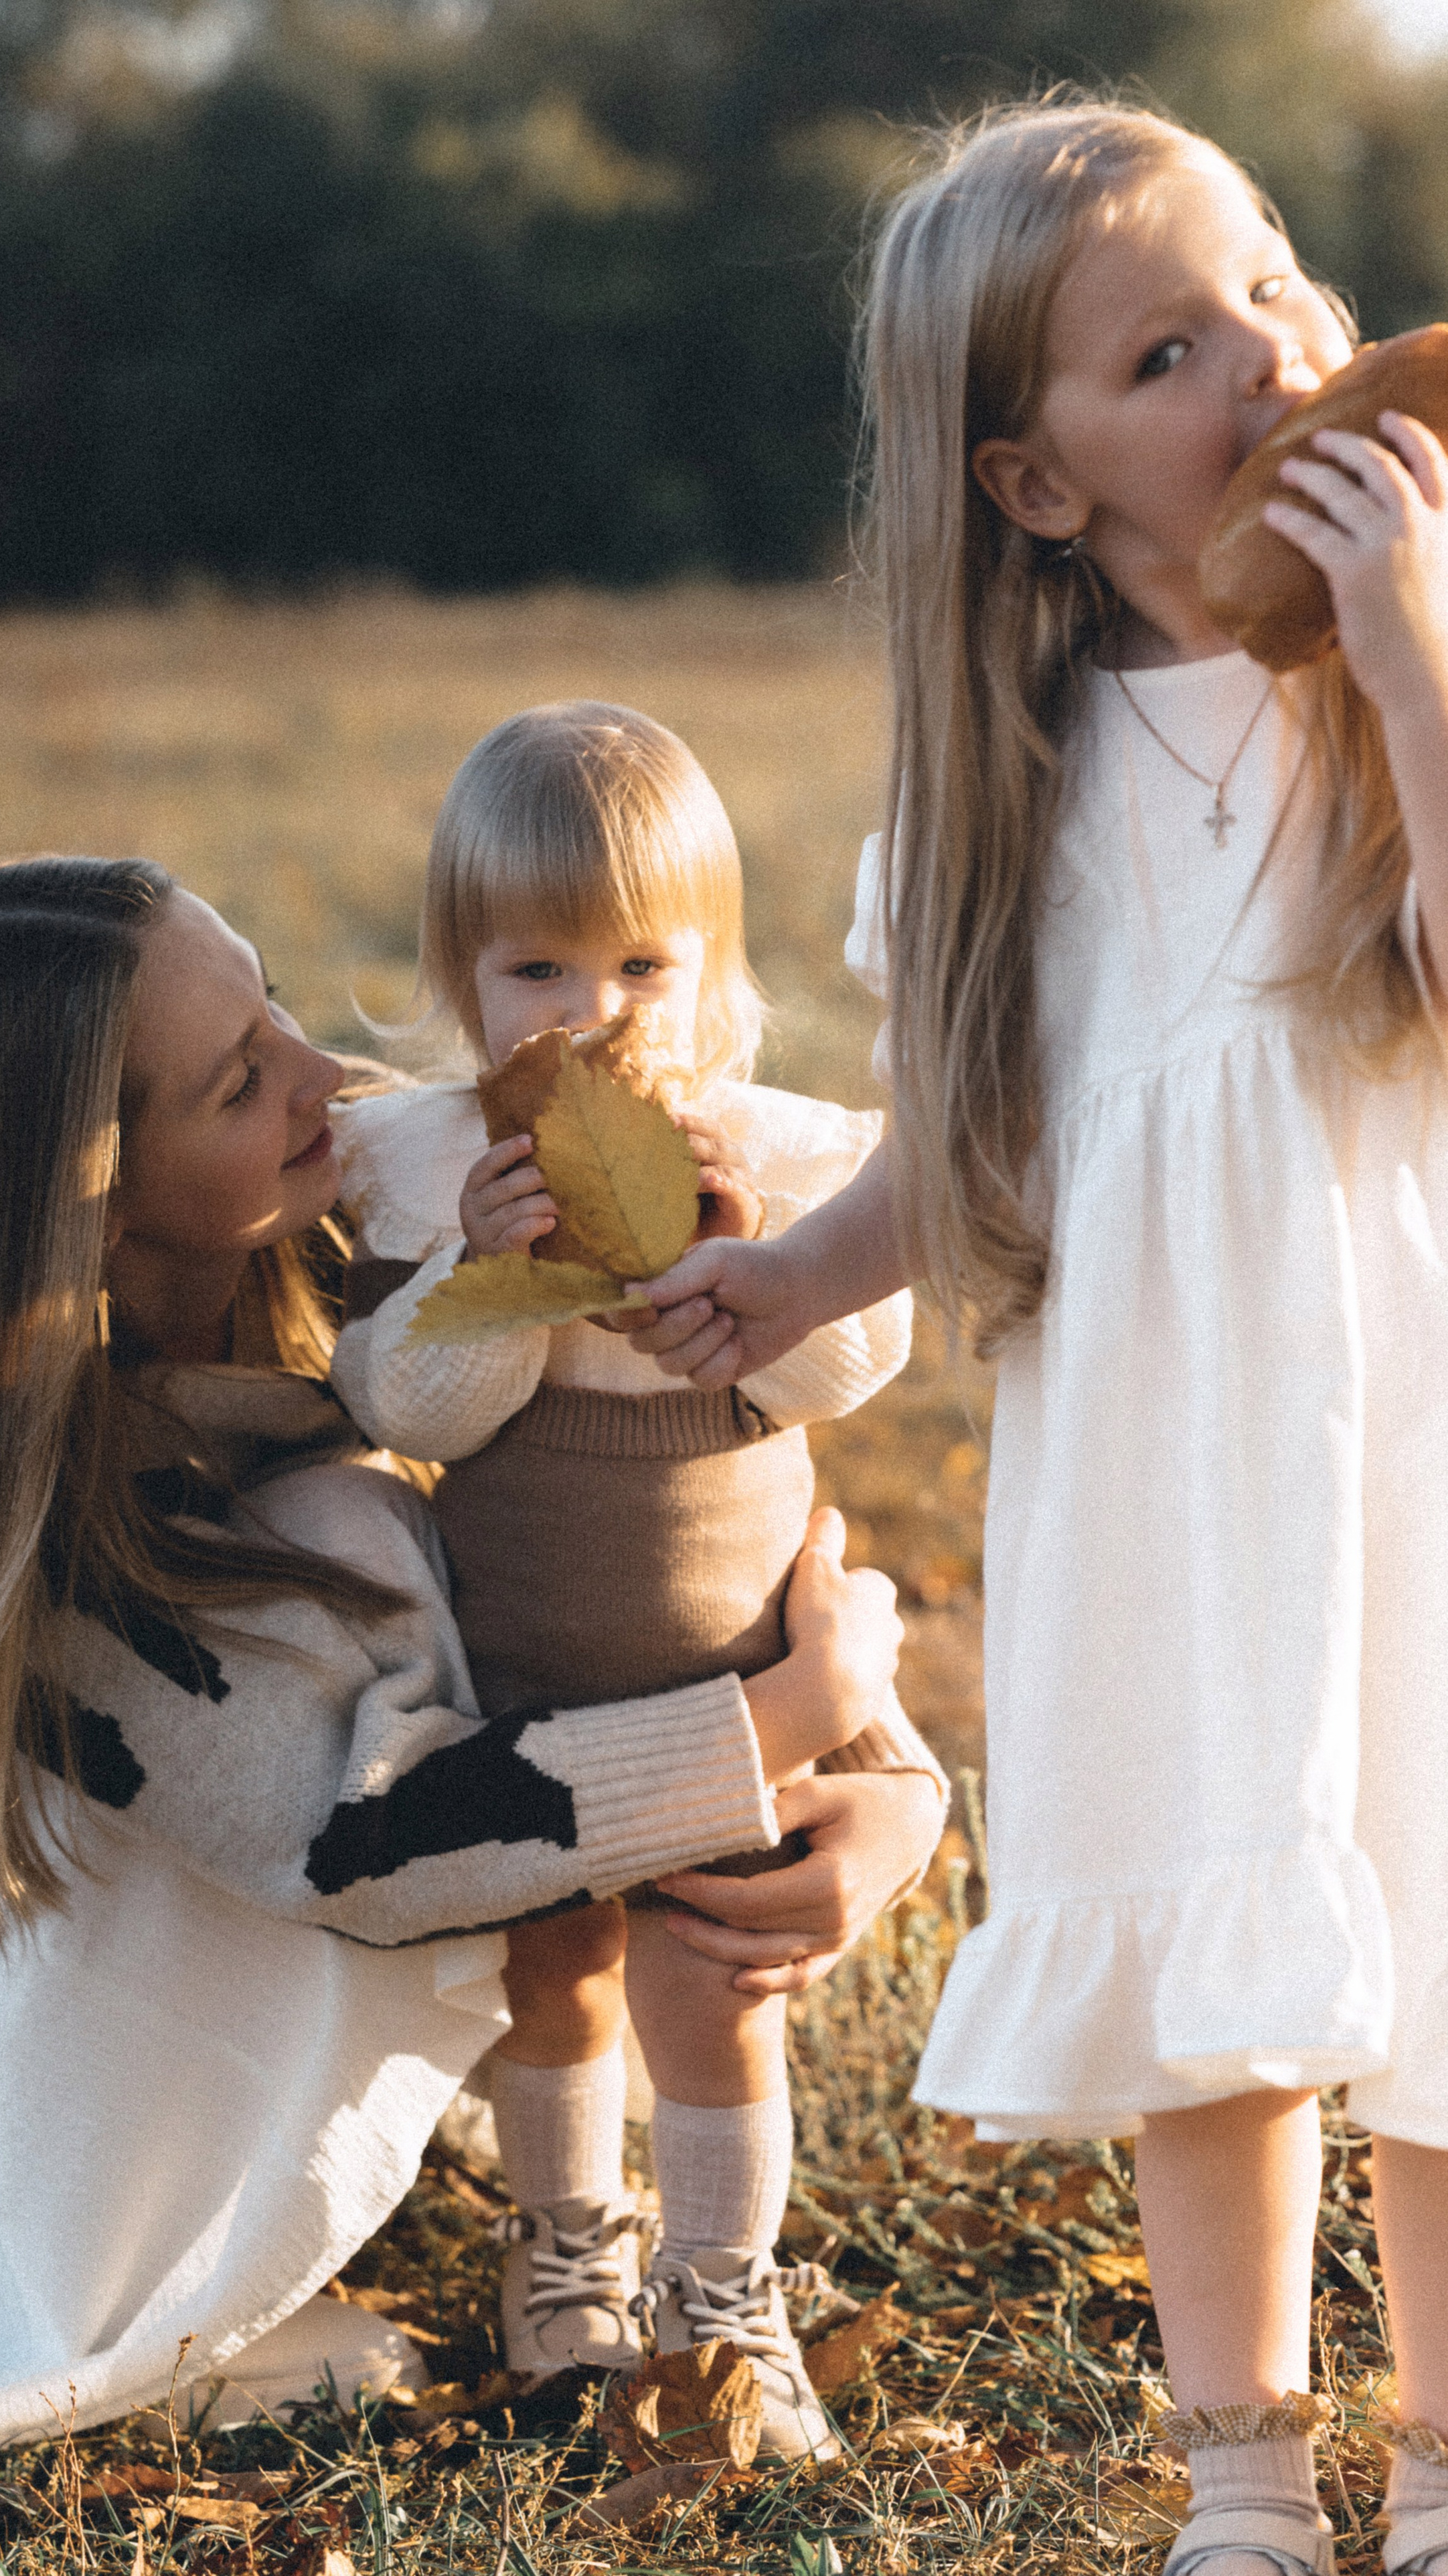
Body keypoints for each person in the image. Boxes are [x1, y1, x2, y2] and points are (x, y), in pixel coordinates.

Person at [632, 98, 1448, 2576]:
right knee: (1217, 1930)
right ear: (1032, 479)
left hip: (1408, 1422)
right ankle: (1242, 2461)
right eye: (1171, 348)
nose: (1279, 357)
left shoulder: (1397, 704)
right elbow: (982, 1138)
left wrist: (1414, 654)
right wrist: (794, 1271)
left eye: (1281, 284)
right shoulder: (1012, 796)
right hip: (1161, 1465)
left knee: (1429, 1922)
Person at [0, 856, 938, 2473]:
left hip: (301, 1888)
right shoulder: (23, 1509)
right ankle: (146, 2243)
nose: (331, 1081)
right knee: (336, 1565)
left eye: (274, 1008)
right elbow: (352, 1842)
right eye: (243, 1080)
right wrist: (785, 1715)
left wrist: (881, 1784)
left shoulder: (363, 1189)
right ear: (87, 1194)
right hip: (137, 1977)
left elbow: (672, 1497)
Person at [327, 702, 935, 2455]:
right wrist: (480, 1267)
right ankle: (568, 2249)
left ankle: (724, 2289)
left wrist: (773, 1270)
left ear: (716, 974)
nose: (592, 1016)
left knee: (715, 1981)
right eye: (537, 969)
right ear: (465, 982)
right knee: (556, 1965)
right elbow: (403, 1405)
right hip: (526, 1668)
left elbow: (854, 1366)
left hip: (728, 1667)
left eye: (642, 967)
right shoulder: (436, 1166)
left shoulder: (787, 1153)